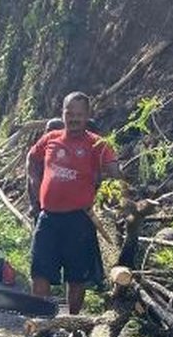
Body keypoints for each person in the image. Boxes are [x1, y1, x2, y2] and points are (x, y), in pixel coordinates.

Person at [26, 91, 121, 314]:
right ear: (63, 113)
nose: (74, 118)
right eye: (70, 113)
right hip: (48, 217)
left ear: (87, 115)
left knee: (76, 277)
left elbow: (114, 173)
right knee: (40, 272)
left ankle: (73, 323)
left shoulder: (98, 144)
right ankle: (40, 321)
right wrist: (34, 186)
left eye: (79, 114)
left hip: (79, 220)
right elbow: (32, 158)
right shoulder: (51, 138)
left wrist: (115, 185)